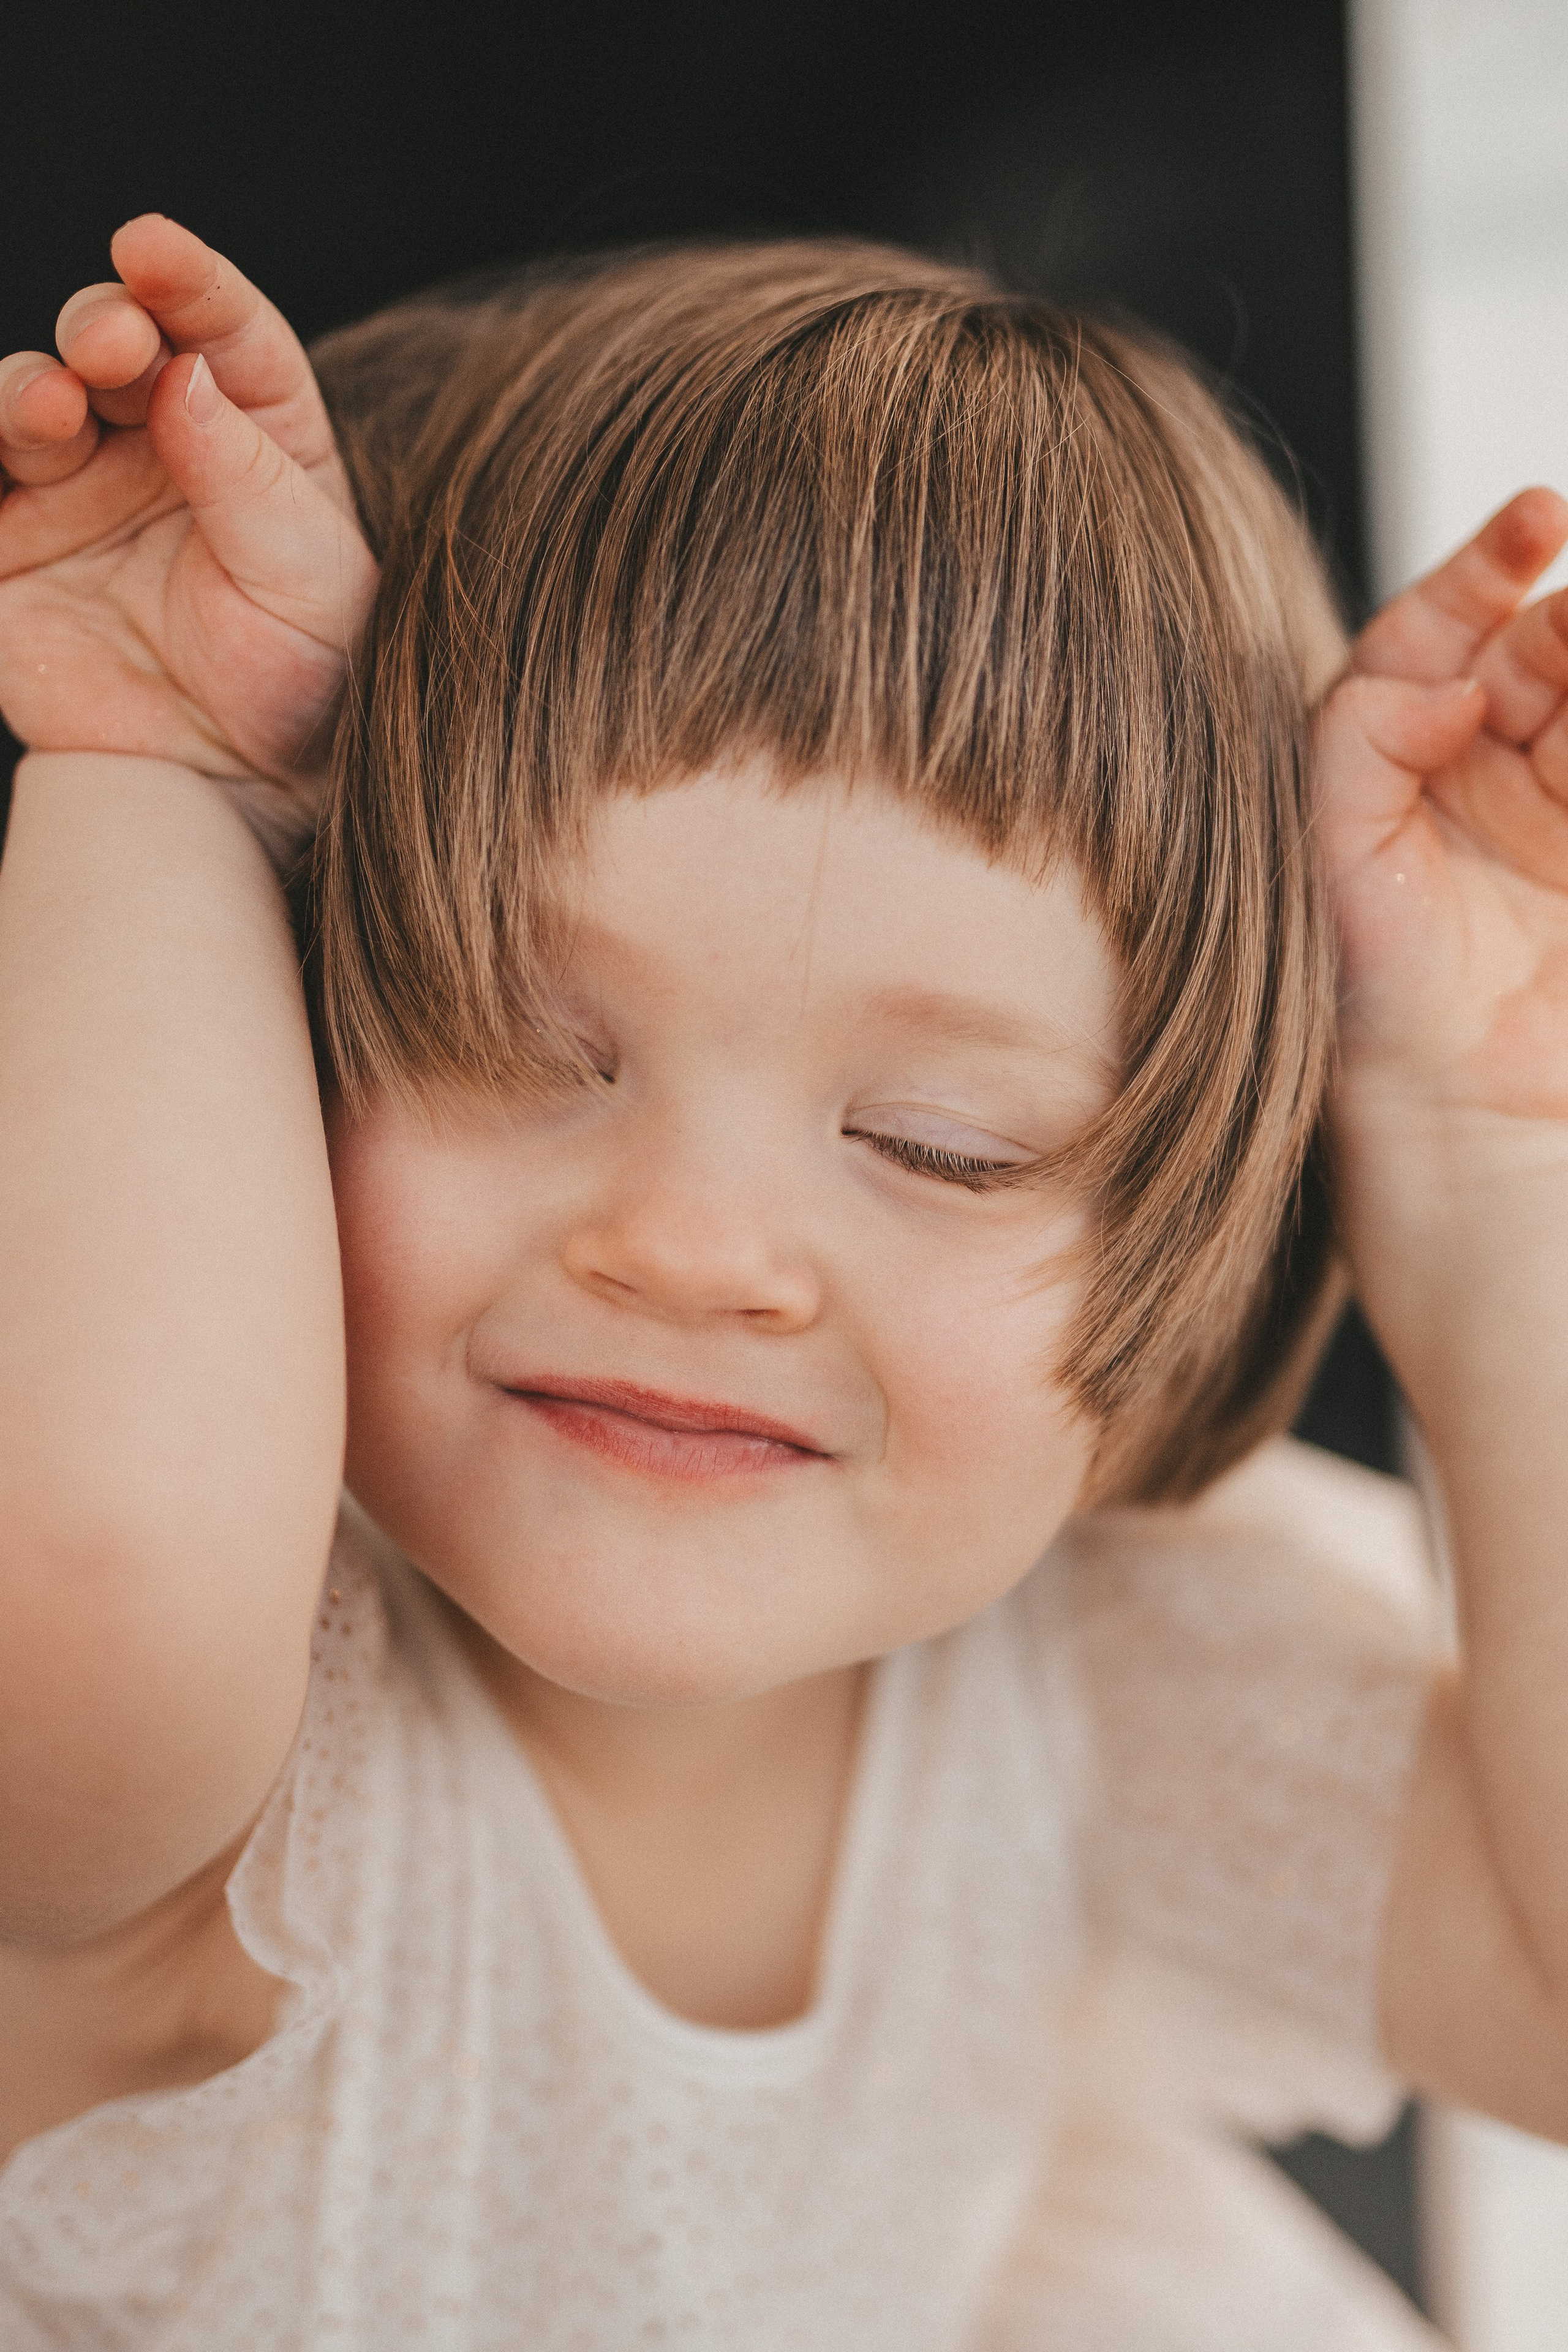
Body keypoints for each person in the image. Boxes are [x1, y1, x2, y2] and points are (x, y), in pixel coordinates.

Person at [0, 214, 1564, 2351]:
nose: (692, 1249)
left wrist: (1488, 1167)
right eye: (528, 1048)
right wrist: (154, 777)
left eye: (942, 1149)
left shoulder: (1101, 1689)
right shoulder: (253, 1778)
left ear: (1191, 1243)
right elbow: (98, 1569)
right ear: (294, 1004)